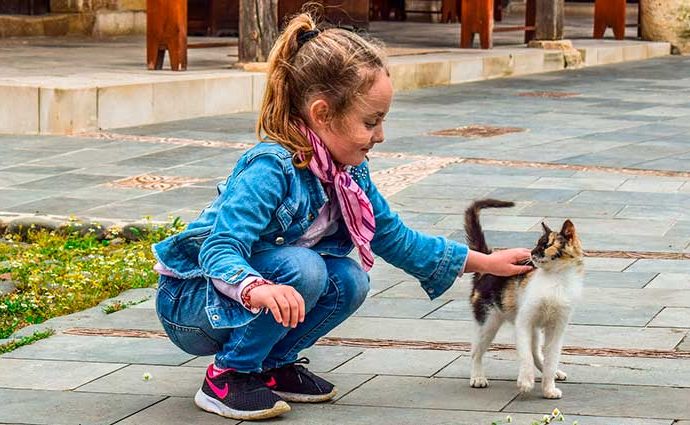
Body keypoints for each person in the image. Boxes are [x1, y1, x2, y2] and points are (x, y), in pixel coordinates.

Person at [152, 10, 533, 421]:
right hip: (193, 302)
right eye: (371, 121)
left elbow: (397, 238)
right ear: (321, 113)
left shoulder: (347, 174)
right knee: (305, 267)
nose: (380, 135)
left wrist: (487, 263)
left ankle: (272, 365)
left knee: (349, 279)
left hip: (252, 296)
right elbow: (220, 248)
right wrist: (256, 289)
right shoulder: (271, 167)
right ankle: (228, 376)